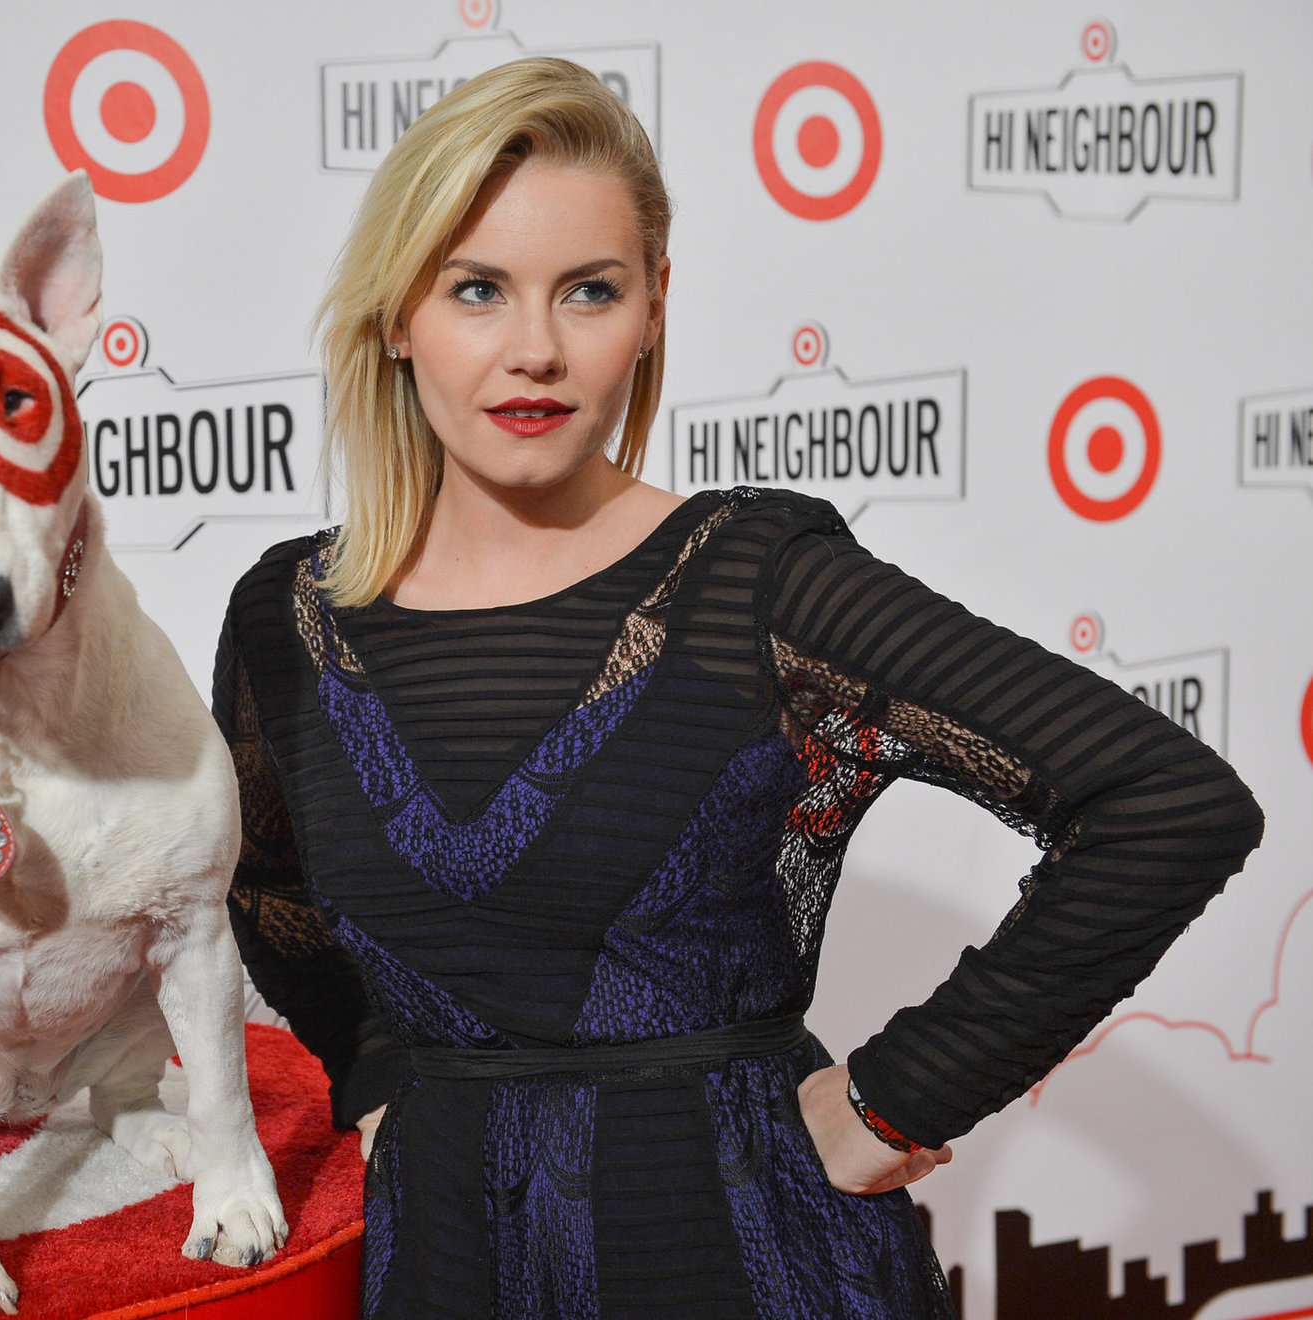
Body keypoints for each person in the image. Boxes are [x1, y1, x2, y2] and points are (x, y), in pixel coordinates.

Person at [210, 58, 1263, 1319]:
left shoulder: (757, 579)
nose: (535, 350)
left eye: (590, 291)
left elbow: (1165, 801)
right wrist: (378, 1070)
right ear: (396, 314)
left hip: (745, 1249)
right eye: (476, 288)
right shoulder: (288, 620)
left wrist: (899, 1096)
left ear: (653, 308)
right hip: (448, 1254)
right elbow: (266, 887)